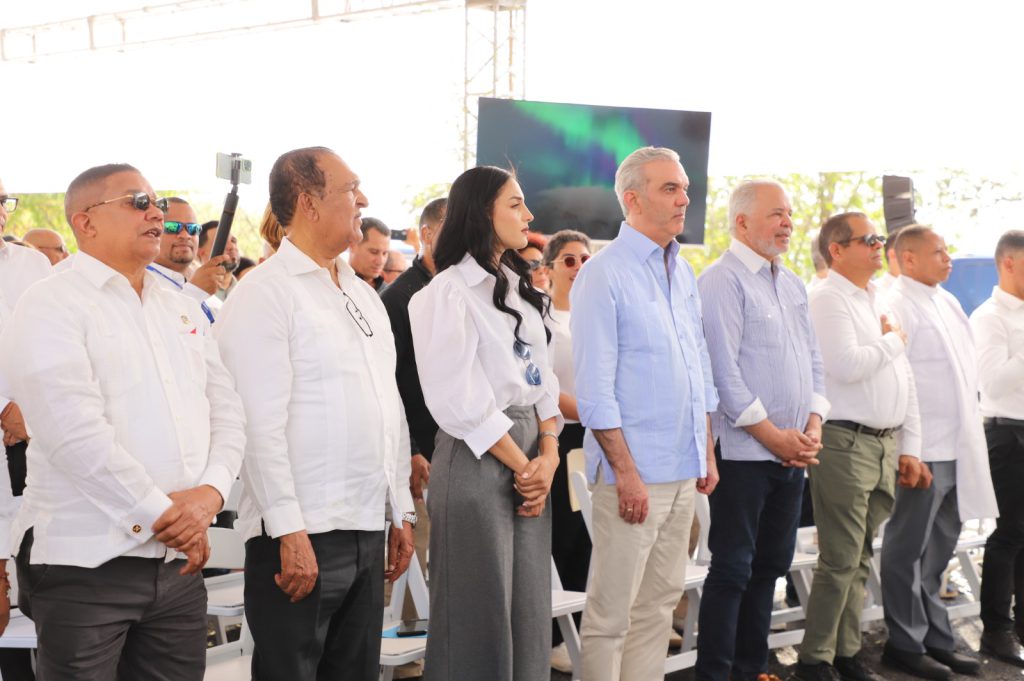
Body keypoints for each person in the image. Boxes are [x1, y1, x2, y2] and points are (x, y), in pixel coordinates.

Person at [0, 163, 245, 679]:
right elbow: (73, 436)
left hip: (178, 566)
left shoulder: (178, 307)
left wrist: (210, 495)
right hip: (86, 562)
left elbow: (226, 409)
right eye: (138, 202)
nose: (156, 213)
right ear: (85, 222)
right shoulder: (50, 302)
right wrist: (170, 519)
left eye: (158, 203)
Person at [214, 146, 415, 681]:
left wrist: (399, 509)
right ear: (308, 202)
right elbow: (258, 424)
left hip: (366, 524)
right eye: (350, 189)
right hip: (302, 532)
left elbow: (387, 404)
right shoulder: (265, 294)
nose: (363, 200)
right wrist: (288, 530)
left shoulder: (362, 294)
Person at [408, 166, 562, 681]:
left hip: (531, 454)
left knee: (528, 611)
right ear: (481, 212)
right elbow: (459, 397)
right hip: (480, 457)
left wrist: (548, 454)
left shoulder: (520, 286)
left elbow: (543, 382)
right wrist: (526, 467)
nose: (529, 215)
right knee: (479, 615)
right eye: (515, 204)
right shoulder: (446, 292)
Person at [571, 146, 719, 681]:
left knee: (658, 608)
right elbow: (595, 391)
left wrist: (706, 452)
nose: (684, 199)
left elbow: (699, 368)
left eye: (684, 188)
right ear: (632, 199)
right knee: (611, 616)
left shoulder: (683, 271)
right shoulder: (603, 274)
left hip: (682, 469)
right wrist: (626, 473)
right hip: (631, 477)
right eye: (670, 188)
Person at [695, 180, 829, 681]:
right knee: (732, 568)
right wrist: (773, 436)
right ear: (742, 221)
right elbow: (723, 374)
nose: (788, 223)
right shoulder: (720, 281)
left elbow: (814, 362)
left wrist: (813, 423)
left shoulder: (792, 283)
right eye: (777, 214)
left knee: (771, 566)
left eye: (789, 214)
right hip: (744, 454)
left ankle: (750, 671)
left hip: (793, 451)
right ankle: (716, 674)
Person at [795, 212, 923, 681]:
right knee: (841, 558)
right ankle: (814, 661)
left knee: (862, 556)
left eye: (879, 238)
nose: (878, 245)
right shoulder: (827, 298)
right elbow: (846, 365)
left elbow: (903, 377)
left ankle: (846, 653)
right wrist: (894, 343)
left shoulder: (876, 298)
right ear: (836, 250)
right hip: (845, 441)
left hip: (883, 443)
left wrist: (910, 445)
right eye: (868, 239)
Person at [879, 225, 995, 679]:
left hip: (960, 445)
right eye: (939, 252)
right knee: (906, 550)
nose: (948, 258)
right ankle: (904, 644)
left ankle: (936, 638)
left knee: (938, 552)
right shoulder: (893, 302)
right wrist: (909, 450)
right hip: (923, 449)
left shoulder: (946, 301)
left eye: (947, 250)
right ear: (908, 258)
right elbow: (900, 381)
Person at [380, 197, 447, 570]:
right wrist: (411, 449)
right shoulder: (399, 297)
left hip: (458, 452)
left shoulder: (460, 289)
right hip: (420, 454)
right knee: (414, 573)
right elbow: (387, 380)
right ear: (427, 234)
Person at [541, 228, 594, 672]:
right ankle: (555, 638)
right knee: (564, 535)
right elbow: (541, 384)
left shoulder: (596, 315)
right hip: (560, 435)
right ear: (550, 268)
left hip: (597, 437)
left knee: (592, 535)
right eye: (570, 260)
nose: (579, 268)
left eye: (585, 259)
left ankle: (583, 629)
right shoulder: (540, 317)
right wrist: (591, 411)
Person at [970, 229, 1024, 666]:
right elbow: (991, 383)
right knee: (1009, 534)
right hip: (1006, 434)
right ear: (1009, 263)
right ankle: (996, 631)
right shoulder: (989, 317)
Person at [147, 197, 230, 325]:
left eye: (193, 229)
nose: (185, 235)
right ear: (152, 231)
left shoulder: (205, 287)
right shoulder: (141, 282)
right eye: (173, 227)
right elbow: (159, 331)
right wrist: (195, 292)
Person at [197, 220, 240, 302]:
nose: (232, 246)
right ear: (200, 253)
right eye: (222, 242)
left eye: (233, 241)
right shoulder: (192, 292)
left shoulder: (245, 290)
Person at [349, 217, 390, 290]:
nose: (380, 261)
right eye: (374, 252)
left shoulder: (389, 291)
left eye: (384, 253)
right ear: (352, 245)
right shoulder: (335, 286)